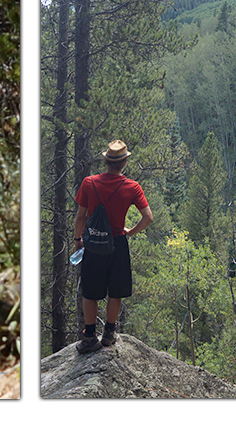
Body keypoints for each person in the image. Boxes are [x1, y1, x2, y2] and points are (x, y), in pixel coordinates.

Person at [73, 140, 153, 353]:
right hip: (117, 243)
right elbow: (148, 218)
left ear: (106, 161)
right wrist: (130, 232)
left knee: (90, 292)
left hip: (93, 244)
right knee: (115, 291)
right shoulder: (132, 187)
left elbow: (80, 216)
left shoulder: (88, 183)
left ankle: (89, 336)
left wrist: (77, 240)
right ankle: (109, 332)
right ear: (124, 162)